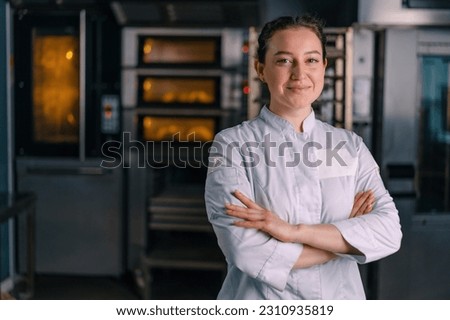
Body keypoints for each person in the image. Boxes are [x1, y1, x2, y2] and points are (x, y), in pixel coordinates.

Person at [204, 15, 402, 299]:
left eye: (311, 60)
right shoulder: (232, 145)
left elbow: (388, 232)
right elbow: (246, 250)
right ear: (261, 68)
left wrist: (292, 231)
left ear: (324, 66)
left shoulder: (349, 146)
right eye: (284, 60)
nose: (299, 74)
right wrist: (346, 242)